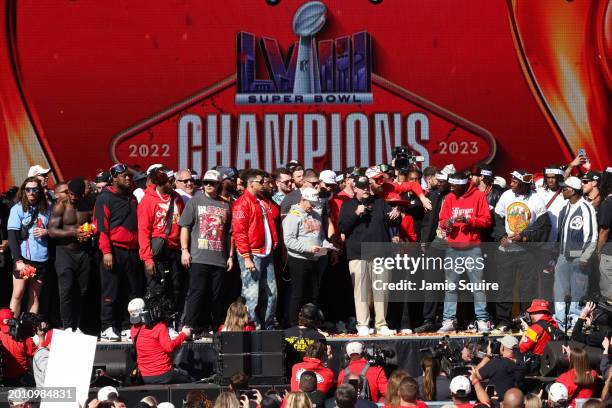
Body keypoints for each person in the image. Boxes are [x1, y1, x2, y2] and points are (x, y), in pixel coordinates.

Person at [338, 175, 400, 336]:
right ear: (355, 188)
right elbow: (343, 227)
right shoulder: (348, 205)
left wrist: (396, 214)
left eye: (367, 186)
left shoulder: (379, 202)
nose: (365, 189)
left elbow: (392, 221)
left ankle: (381, 324)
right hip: (358, 253)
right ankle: (363, 324)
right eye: (362, 186)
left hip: (380, 252)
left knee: (381, 290)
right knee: (362, 291)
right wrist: (356, 213)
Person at [493, 170, 550, 333]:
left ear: (524, 184)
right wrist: (501, 236)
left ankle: (526, 320)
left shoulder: (537, 200)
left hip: (528, 252)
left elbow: (544, 228)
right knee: (504, 286)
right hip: (506, 250)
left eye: (515, 182)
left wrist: (524, 237)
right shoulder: (506, 196)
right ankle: (503, 321)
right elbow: (497, 218)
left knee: (528, 287)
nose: (511, 184)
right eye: (511, 180)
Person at [438, 172, 492, 333]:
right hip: (452, 248)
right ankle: (448, 320)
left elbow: (487, 221)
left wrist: (469, 220)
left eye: (454, 185)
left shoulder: (478, 196)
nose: (451, 188)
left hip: (473, 248)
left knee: (478, 286)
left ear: (463, 184)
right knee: (450, 287)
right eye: (451, 185)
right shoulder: (449, 197)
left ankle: (482, 320)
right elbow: (442, 220)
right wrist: (446, 224)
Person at [94, 163, 142, 341]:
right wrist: (107, 252)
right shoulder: (104, 198)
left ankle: (126, 326)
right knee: (110, 291)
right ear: (114, 178)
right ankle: (107, 326)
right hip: (113, 250)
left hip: (132, 251)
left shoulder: (132, 198)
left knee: (130, 291)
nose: (128, 178)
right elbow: (102, 228)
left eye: (129, 176)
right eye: (124, 176)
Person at [180, 169, 232, 332]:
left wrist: (230, 256)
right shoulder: (195, 201)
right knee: (197, 293)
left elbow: (230, 234)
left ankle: (213, 326)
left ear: (218, 184)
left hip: (219, 257)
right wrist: (184, 250)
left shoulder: (225, 205)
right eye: (205, 183)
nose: (208, 185)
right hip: (198, 257)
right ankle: (189, 326)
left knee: (216, 296)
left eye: (212, 183)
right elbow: (185, 227)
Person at [232, 169, 279, 329]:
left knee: (272, 292)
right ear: (251, 184)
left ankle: (268, 326)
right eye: (260, 182)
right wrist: (246, 257)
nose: (264, 184)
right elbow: (239, 232)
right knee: (251, 295)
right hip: (252, 254)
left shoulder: (261, 201)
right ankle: (252, 327)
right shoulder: (242, 203)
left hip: (266, 253)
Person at [47, 178, 93, 332]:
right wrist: (74, 232)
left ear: (82, 194)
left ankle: (78, 325)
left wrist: (91, 231)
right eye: (71, 194)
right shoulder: (61, 206)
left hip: (83, 253)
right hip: (64, 252)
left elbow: (95, 225)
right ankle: (67, 326)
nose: (73, 198)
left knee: (82, 290)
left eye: (77, 195)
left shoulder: (87, 205)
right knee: (66, 290)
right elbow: (52, 231)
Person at [553, 177, 598, 329]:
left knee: (577, 293)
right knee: (559, 290)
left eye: (564, 189)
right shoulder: (565, 207)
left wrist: (585, 257)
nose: (562, 191)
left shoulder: (586, 208)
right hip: (563, 256)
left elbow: (592, 236)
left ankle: (574, 323)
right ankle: (560, 322)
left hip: (579, 258)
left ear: (572, 191)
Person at [415, 168, 453, 333]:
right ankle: (429, 319)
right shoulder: (434, 195)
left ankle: (449, 319)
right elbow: (428, 221)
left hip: (454, 244)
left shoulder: (459, 196)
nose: (440, 183)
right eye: (440, 180)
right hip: (436, 243)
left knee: (453, 284)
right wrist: (424, 241)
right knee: (431, 283)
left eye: (444, 180)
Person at [7, 177, 51, 316]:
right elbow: (12, 236)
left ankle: (30, 327)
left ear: (39, 190)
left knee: (35, 296)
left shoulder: (48, 207)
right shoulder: (17, 209)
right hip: (23, 257)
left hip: (41, 257)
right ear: (24, 191)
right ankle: (11, 329)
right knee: (18, 293)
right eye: (28, 189)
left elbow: (56, 229)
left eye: (34, 189)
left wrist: (47, 231)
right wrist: (17, 260)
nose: (31, 192)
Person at [283, 187, 326, 324]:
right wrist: (309, 248)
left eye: (314, 204)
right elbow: (289, 241)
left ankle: (312, 323)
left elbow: (321, 236)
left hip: (315, 259)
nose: (313, 206)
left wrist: (327, 245)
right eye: (311, 203)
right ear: (303, 200)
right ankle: (293, 324)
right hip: (298, 259)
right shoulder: (293, 216)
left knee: (314, 294)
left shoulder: (316, 214)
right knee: (298, 293)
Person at [128, 295, 193, 384]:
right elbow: (169, 348)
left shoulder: (133, 329)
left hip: (144, 376)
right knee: (190, 380)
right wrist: (183, 334)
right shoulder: (159, 327)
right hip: (163, 374)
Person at [0, 308, 39, 386]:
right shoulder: (24, 335)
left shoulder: (0, 336)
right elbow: (36, 353)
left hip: (6, 379)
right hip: (23, 377)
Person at [597, 168, 612, 301]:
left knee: (608, 296)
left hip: (609, 254)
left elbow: (604, 231)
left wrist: (598, 251)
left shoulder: (608, 203)